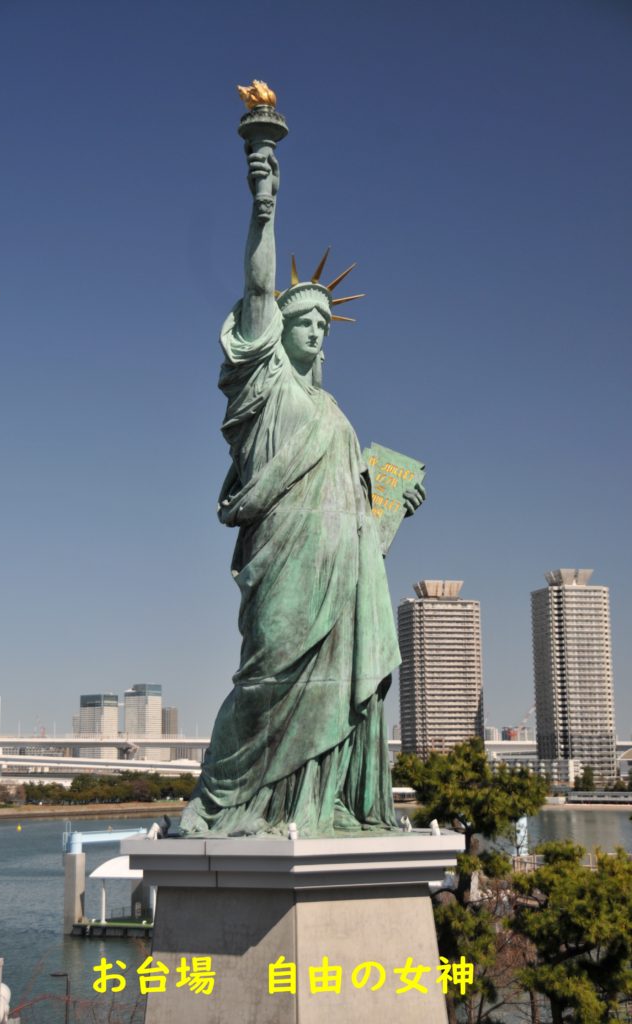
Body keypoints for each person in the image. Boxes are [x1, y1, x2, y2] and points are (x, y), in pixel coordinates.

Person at [178, 147, 424, 837]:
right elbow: (259, 289)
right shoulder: (266, 386)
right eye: (303, 321)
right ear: (277, 333)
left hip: (341, 569)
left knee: (335, 689)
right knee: (267, 677)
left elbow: (354, 508)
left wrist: (391, 508)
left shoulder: (335, 412)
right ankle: (221, 799)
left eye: (322, 323)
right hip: (284, 557)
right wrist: (265, 204)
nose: (314, 330)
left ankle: (317, 804)